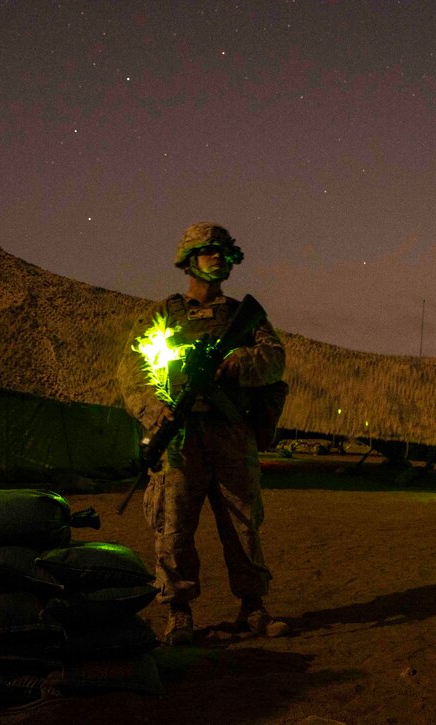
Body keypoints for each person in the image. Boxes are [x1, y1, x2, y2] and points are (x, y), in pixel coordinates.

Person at [118, 222, 288, 645]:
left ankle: (253, 606)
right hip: (179, 435)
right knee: (172, 525)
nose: (217, 257)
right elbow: (133, 370)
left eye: (223, 251)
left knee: (243, 523)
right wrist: (156, 410)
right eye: (208, 250)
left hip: (231, 430)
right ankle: (178, 611)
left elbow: (273, 359)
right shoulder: (162, 315)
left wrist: (228, 363)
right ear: (190, 259)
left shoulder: (244, 316)